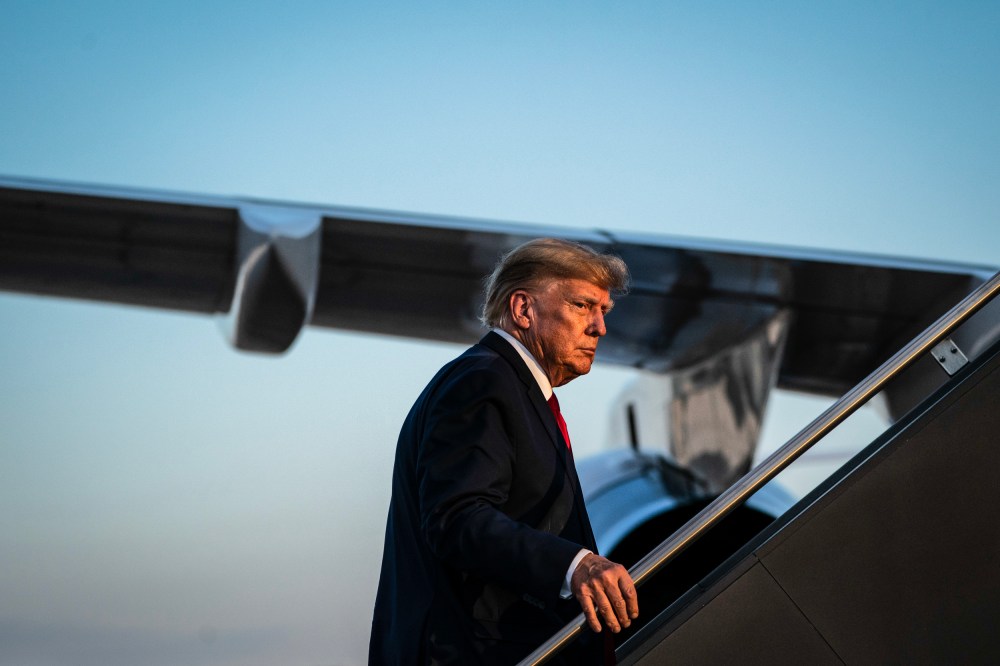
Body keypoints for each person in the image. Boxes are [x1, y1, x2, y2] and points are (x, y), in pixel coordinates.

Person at [370, 238, 638, 665]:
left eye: (603, 311)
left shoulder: (511, 387)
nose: (599, 328)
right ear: (523, 309)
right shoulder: (484, 381)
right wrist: (575, 565)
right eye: (582, 306)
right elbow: (457, 519)